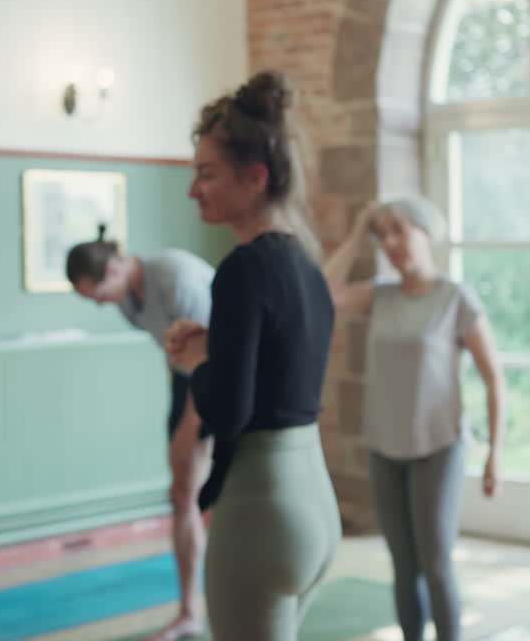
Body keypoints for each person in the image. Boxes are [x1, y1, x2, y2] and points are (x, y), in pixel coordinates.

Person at [166, 70, 340, 640]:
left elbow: (228, 412)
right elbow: (280, 376)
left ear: (255, 177)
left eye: (206, 174)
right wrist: (218, 348)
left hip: (264, 510)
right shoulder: (306, 264)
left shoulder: (242, 268)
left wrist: (195, 364)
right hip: (314, 500)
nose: (194, 189)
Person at [323, 194, 506, 641]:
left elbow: (494, 380)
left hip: (438, 448)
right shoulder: (380, 297)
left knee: (436, 564)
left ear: (427, 233)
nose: (390, 243)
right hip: (385, 448)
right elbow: (323, 295)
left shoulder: (455, 298)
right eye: (382, 236)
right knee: (403, 567)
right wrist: (355, 233)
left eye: (399, 231)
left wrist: (493, 455)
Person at [65, 231, 215, 641]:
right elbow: (174, 352)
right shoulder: (126, 298)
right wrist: (179, 413)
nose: (98, 303)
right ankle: (190, 613)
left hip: (224, 379)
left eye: (97, 293)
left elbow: (212, 355)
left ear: (113, 268)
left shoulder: (176, 279)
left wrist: (190, 424)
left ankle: (228, 600)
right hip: (187, 380)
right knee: (183, 494)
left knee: (215, 497)